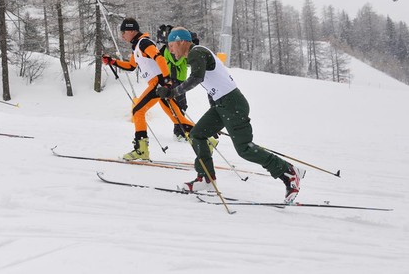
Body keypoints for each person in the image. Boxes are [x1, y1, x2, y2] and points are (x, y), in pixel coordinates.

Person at [156, 27, 305, 203]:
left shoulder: (197, 52)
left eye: (171, 45)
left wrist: (172, 92)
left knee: (244, 149)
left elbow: (197, 78)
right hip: (223, 105)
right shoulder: (197, 55)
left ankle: (288, 172)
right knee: (198, 134)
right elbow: (213, 86)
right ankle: (205, 179)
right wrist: (216, 120)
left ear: (181, 41)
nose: (170, 50)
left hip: (232, 104)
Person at [102, 18, 194, 161]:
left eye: (123, 32)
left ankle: (141, 150)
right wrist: (113, 62)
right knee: (176, 116)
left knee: (138, 111)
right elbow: (131, 66)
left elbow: (159, 58)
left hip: (158, 82)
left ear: (132, 31)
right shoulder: (137, 46)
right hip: (157, 82)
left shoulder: (144, 43)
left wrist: (166, 80)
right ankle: (206, 139)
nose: (122, 36)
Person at [157, 24, 197, 141]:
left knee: (178, 106)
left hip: (175, 79)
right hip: (175, 80)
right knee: (179, 106)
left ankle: (180, 131)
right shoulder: (171, 50)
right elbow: (178, 61)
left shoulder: (168, 49)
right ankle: (180, 132)